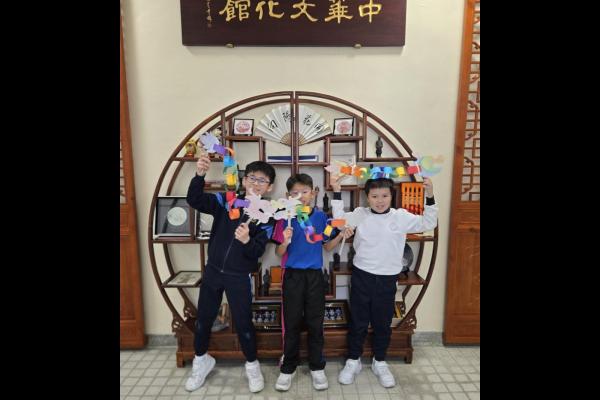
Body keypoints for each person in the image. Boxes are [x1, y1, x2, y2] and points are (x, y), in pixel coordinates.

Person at [330, 175, 438, 388]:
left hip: (388, 278)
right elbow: (339, 221)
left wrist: (430, 195)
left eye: (384, 196)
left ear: (391, 196)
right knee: (358, 321)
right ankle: (353, 360)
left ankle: (379, 361)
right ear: (367, 198)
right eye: (374, 196)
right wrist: (336, 191)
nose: (379, 200)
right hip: (362, 276)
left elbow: (428, 222)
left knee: (382, 323)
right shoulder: (360, 214)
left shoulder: (401, 216)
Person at [184, 154, 276, 393]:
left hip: (239, 276)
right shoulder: (228, 200)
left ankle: (252, 365)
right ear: (243, 180)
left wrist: (246, 240)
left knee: (244, 323)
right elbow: (194, 199)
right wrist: (200, 175)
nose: (256, 183)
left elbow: (257, 251)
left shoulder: (268, 214)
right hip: (213, 271)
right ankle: (201, 360)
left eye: (262, 180)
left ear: (269, 187)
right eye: (252, 178)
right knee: (204, 320)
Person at [272, 174, 354, 391]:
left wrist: (340, 236)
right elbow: (278, 252)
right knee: (291, 323)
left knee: (315, 323)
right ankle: (288, 367)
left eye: (305, 192)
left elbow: (326, 246)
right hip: (292, 276)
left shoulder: (320, 218)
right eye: (295, 193)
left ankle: (317, 366)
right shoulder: (285, 218)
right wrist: (285, 241)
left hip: (315, 276)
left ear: (313, 193)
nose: (300, 196)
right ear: (288, 195)